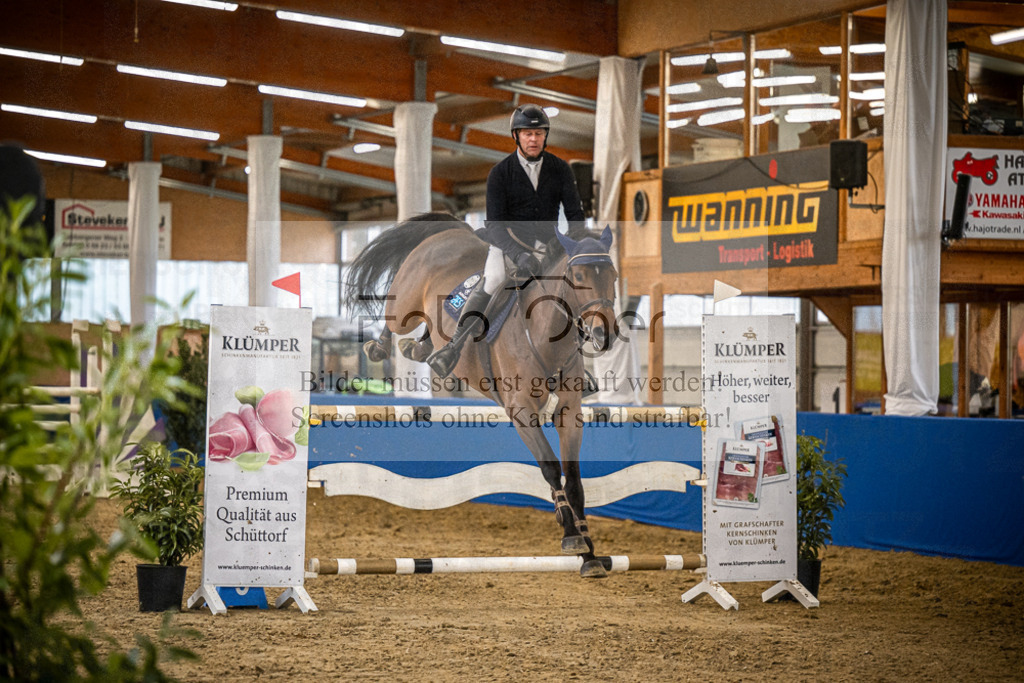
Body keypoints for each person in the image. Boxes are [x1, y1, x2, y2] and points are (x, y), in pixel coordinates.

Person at [427, 104, 588, 378]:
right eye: (527, 133)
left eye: (539, 133)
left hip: (548, 247)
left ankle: (577, 363)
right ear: (516, 136)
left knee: (573, 288)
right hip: (507, 246)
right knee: (493, 280)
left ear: (545, 136)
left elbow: (575, 214)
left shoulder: (560, 169)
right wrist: (518, 255)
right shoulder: (500, 173)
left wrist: (575, 245)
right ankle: (453, 347)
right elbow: (495, 225)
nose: (534, 139)